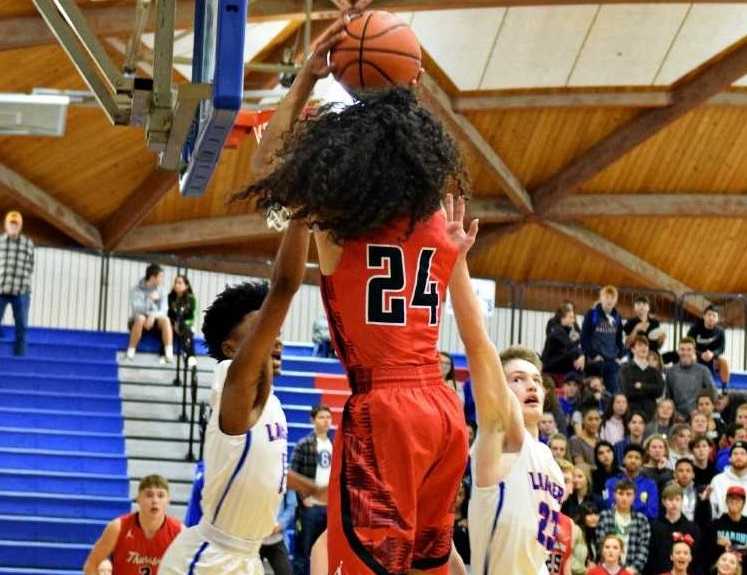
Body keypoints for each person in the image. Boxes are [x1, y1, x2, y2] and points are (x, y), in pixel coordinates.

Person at [240, 9, 471, 570]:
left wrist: (306, 78)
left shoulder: (336, 214)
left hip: (384, 411)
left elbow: (267, 171)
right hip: (443, 410)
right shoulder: (437, 215)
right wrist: (402, 85)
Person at [159, 219, 325, 575]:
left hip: (247, 558)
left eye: (275, 332)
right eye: (262, 331)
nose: (275, 338)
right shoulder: (231, 382)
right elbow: (283, 287)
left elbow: (267, 467)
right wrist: (300, 216)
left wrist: (315, 488)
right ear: (231, 347)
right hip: (208, 558)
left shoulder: (273, 404)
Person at [443, 196, 564, 575]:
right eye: (516, 379)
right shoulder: (502, 435)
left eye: (534, 380)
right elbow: (478, 344)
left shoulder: (553, 466)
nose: (529, 385)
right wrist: (456, 263)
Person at [83, 475, 183, 575]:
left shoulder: (179, 531)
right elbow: (91, 565)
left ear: (168, 500)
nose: (155, 501)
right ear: (138, 498)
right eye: (149, 495)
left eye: (160, 496)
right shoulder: (118, 527)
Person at [291, 405, 333, 575]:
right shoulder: (304, 444)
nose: (326, 421)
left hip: (328, 508)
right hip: (310, 508)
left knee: (326, 552)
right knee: (304, 551)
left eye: (328, 417)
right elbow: (293, 474)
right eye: (321, 417)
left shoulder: (334, 445)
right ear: (312, 420)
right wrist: (303, 498)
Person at [596, 480, 650, 575]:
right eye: (620, 493)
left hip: (632, 571)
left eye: (628, 494)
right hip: (608, 569)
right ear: (614, 495)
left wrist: (633, 569)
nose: (624, 498)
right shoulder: (605, 516)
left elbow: (644, 549)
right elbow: (600, 543)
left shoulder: (642, 520)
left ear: (634, 497)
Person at [645, 483, 701, 575]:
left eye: (677, 499)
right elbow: (651, 557)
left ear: (682, 501)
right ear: (663, 502)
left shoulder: (692, 528)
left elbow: (696, 557)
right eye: (670, 500)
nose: (674, 503)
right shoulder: (654, 526)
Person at [0, 210, 33, 356]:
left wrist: (24, 285)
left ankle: (19, 358)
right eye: (11, 224)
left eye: (16, 224)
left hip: (21, 291)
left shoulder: (28, 243)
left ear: (20, 226)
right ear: (5, 225)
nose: (13, 226)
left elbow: (30, 265)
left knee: (21, 326)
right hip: (1, 289)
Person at [581, 285, 625, 394]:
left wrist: (619, 356)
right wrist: (592, 355)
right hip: (595, 362)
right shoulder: (592, 314)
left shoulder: (617, 317)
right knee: (592, 393)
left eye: (612, 298)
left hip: (612, 362)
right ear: (601, 298)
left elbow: (619, 338)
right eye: (606, 297)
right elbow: (584, 337)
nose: (609, 300)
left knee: (613, 394)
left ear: (616, 300)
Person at [127, 263, 174, 363]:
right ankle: (130, 353)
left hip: (155, 321)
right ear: (153, 277)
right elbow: (137, 309)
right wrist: (149, 299)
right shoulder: (136, 290)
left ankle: (169, 354)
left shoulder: (162, 290)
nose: (162, 279)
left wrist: (152, 315)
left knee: (166, 319)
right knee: (141, 318)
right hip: (138, 321)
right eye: (160, 277)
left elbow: (164, 310)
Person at [666, 338, 717, 421]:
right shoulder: (671, 372)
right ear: (678, 351)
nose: (685, 353)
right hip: (677, 418)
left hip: (699, 417)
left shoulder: (703, 370)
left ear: (694, 351)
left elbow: (713, 394)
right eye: (682, 349)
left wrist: (701, 411)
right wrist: (675, 414)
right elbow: (667, 397)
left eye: (689, 349)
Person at [603, 445, 658, 521]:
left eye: (637, 458)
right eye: (630, 457)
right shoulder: (611, 483)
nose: (633, 460)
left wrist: (623, 509)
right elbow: (608, 506)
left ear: (642, 462)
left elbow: (652, 512)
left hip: (641, 527)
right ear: (623, 460)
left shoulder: (650, 484)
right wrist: (641, 506)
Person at [548, 459, 582, 575]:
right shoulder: (532, 514)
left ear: (572, 488)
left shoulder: (570, 525)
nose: (561, 484)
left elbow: (566, 569)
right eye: (557, 479)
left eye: (566, 481)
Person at [618, 336, 664, 422]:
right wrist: (650, 389)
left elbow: (659, 391)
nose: (644, 348)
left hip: (651, 414)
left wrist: (641, 386)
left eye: (646, 345)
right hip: (632, 414)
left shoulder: (654, 371)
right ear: (633, 349)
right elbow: (628, 391)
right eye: (640, 345)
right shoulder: (625, 368)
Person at [688, 305, 730, 387]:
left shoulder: (720, 331)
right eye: (709, 315)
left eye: (714, 316)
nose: (711, 318)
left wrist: (712, 354)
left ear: (717, 319)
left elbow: (721, 349)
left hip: (713, 358)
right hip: (697, 356)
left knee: (725, 360)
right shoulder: (694, 329)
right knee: (690, 357)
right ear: (704, 316)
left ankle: (724, 389)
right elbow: (688, 345)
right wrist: (701, 354)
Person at [542, 302, 585, 378]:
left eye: (573, 317)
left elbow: (578, 341)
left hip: (564, 359)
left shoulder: (571, 327)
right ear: (563, 317)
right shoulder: (555, 328)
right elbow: (568, 344)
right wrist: (580, 354)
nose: (573, 320)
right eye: (571, 317)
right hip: (552, 363)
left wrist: (580, 355)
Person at [711, 486, 747, 571]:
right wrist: (716, 542)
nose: (734, 502)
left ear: (743, 503)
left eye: (738, 499)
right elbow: (707, 550)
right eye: (731, 499)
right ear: (726, 501)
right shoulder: (716, 524)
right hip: (720, 570)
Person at [710, 441, 747, 520]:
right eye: (735, 454)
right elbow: (712, 509)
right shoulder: (717, 480)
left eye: (743, 453)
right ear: (729, 458)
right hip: (723, 527)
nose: (739, 457)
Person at [168, 274, 197, 368]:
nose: (177, 285)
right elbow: (168, 314)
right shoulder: (170, 297)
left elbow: (191, 317)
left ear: (186, 286)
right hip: (172, 326)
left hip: (186, 325)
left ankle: (190, 357)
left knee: (187, 329)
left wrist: (182, 323)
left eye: (180, 283)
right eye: (176, 282)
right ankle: (190, 356)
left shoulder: (191, 298)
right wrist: (174, 324)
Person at [674, 458, 711, 524]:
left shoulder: (701, 491)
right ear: (675, 474)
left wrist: (704, 502)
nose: (684, 474)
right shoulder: (669, 491)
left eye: (688, 471)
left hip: (695, 530)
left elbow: (707, 520)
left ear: (693, 474)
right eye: (681, 471)